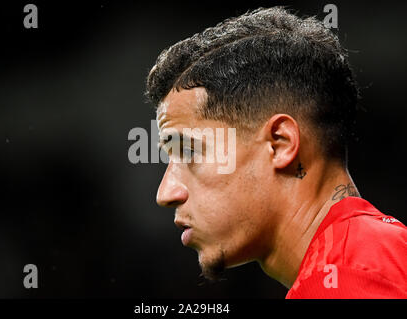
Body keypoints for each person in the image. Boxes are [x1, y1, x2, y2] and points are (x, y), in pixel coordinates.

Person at [145, 7, 406, 298]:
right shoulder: (372, 257)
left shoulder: (343, 281)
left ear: (280, 144)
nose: (166, 193)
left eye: (189, 151)